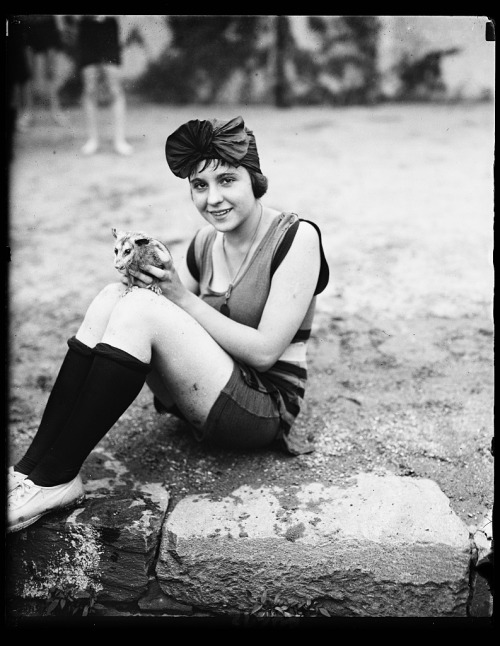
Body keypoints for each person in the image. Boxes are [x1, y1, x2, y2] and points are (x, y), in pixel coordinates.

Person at [7, 115, 329, 533]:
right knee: (113, 297)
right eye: (200, 185)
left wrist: (177, 295)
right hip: (206, 398)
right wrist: (142, 275)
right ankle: (32, 469)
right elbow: (173, 328)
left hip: (262, 409)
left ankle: (58, 475)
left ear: (255, 179)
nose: (213, 198)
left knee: (141, 309)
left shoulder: (297, 238)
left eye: (227, 180)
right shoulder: (204, 242)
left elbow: (266, 353)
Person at [76, 15, 133, 156]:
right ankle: (92, 140)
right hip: (87, 28)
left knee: (115, 88)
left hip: (108, 28)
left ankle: (119, 140)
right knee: (89, 88)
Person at [18, 15, 69, 129]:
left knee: (50, 71)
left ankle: (56, 110)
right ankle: (28, 112)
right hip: (26, 23)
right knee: (27, 71)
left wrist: (60, 24)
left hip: (47, 23)